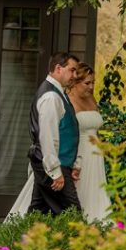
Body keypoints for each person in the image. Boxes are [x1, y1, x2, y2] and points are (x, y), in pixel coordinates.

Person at [10, 52, 82, 218]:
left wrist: (74, 163)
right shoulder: (51, 96)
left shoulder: (58, 93)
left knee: (38, 211)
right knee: (72, 214)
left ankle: (23, 241)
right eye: (72, 70)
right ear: (58, 68)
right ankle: (82, 244)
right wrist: (55, 172)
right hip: (53, 165)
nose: (75, 76)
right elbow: (48, 137)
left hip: (55, 163)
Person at [64, 63, 111, 223]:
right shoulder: (67, 101)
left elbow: (95, 127)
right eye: (87, 83)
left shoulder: (91, 98)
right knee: (80, 190)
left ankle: (97, 222)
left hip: (96, 154)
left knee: (95, 190)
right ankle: (77, 223)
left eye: (93, 82)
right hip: (79, 152)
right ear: (76, 82)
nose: (91, 87)